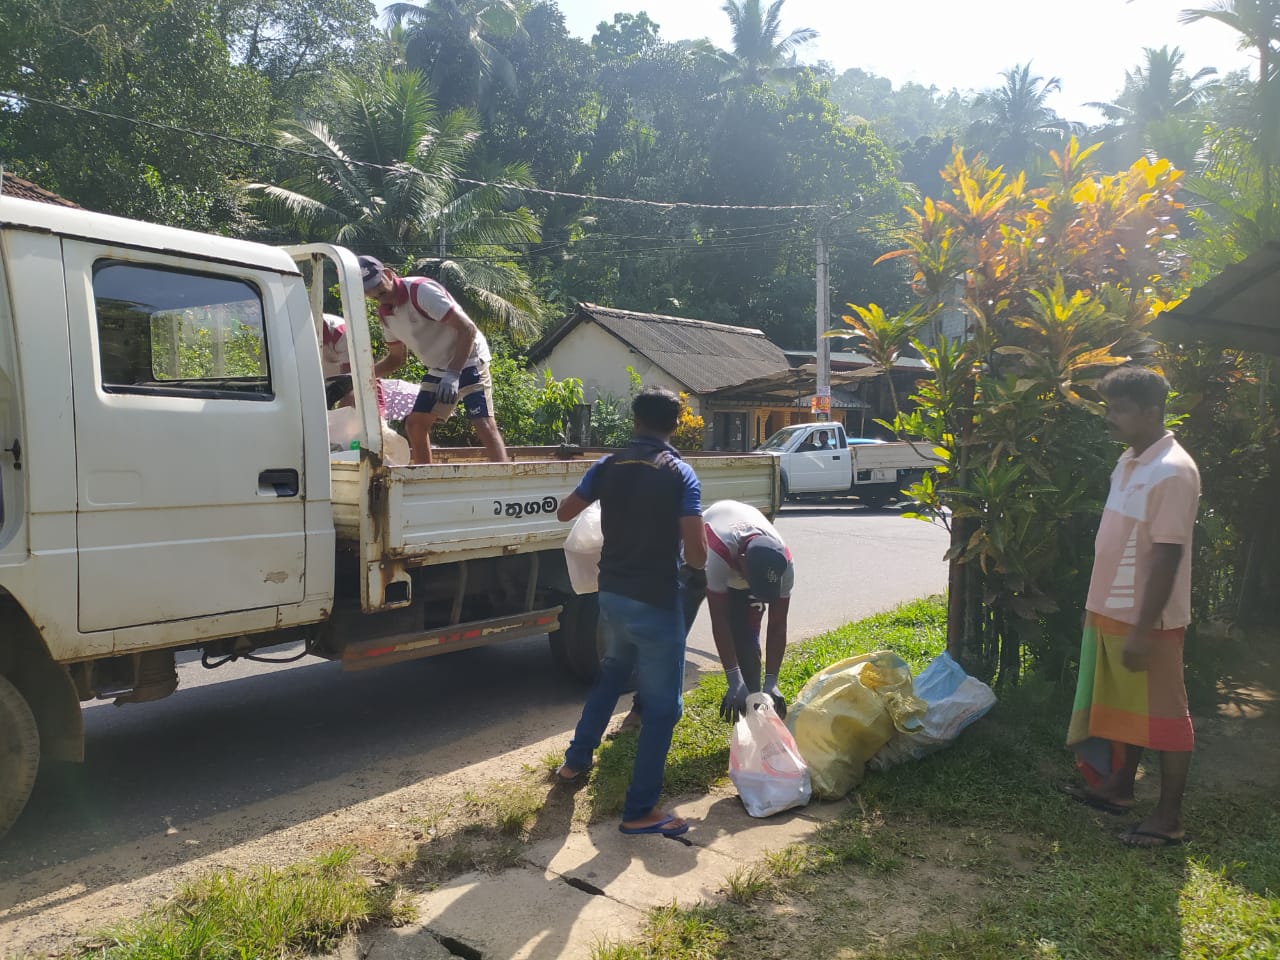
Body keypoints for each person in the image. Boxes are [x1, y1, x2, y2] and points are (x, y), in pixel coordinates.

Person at [555, 387, 707, 838]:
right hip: (656, 602)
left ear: (635, 419)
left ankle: (574, 763)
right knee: (663, 709)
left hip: (612, 595)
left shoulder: (607, 466)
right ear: (675, 425)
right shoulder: (680, 475)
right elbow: (697, 555)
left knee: (612, 675)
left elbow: (566, 513)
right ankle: (640, 811)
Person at [1065, 366, 1200, 848]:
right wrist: (1094, 606)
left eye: (1118, 409)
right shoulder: (1129, 461)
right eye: (1107, 407)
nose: (1108, 418)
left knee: (1166, 716)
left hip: (1149, 618)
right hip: (1110, 610)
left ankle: (1168, 818)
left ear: (1151, 411)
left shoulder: (1173, 471)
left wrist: (1144, 628)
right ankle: (1119, 789)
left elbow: (1167, 553)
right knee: (1127, 708)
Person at [359, 256, 508, 464]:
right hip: (439, 368)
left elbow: (468, 329)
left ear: (389, 274)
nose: (376, 294)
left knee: (482, 422)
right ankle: (425, 480)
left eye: (378, 287)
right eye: (370, 293)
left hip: (469, 358)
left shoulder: (421, 291)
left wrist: (454, 374)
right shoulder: (386, 315)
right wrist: (358, 378)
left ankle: (503, 483)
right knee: (415, 424)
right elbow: (396, 359)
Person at [700, 499, 794, 722]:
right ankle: (644, 708)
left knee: (746, 638)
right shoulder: (716, 553)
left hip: (740, 555)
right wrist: (733, 678)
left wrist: (772, 681)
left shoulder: (784, 564)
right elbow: (720, 620)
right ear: (741, 562)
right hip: (699, 554)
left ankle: (752, 715)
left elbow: (778, 624)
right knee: (676, 630)